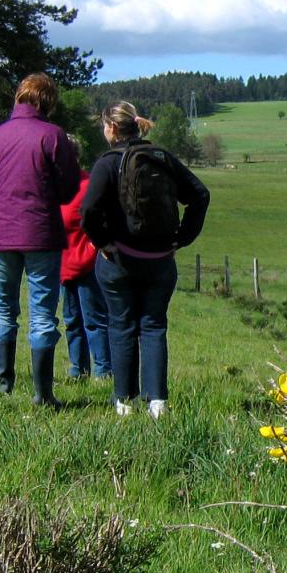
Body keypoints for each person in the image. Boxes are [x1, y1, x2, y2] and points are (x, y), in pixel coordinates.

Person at [81, 101, 210, 419]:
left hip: (119, 260)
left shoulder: (108, 163)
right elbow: (200, 194)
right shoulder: (162, 158)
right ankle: (158, 403)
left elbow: (88, 212)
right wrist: (182, 237)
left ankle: (124, 402)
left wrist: (103, 242)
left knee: (121, 326)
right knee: (153, 326)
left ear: (111, 128)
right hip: (161, 259)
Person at [0, 73, 80, 406]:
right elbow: (67, 190)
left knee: (3, 309)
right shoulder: (53, 136)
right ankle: (42, 394)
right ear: (47, 101)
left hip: (1, 233)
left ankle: (4, 386)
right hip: (40, 234)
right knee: (42, 313)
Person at [60, 139, 112, 381]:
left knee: (94, 320)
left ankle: (104, 370)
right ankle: (77, 370)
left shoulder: (88, 185)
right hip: (62, 264)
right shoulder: (53, 188)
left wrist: (95, 246)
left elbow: (103, 218)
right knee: (71, 320)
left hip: (87, 262)